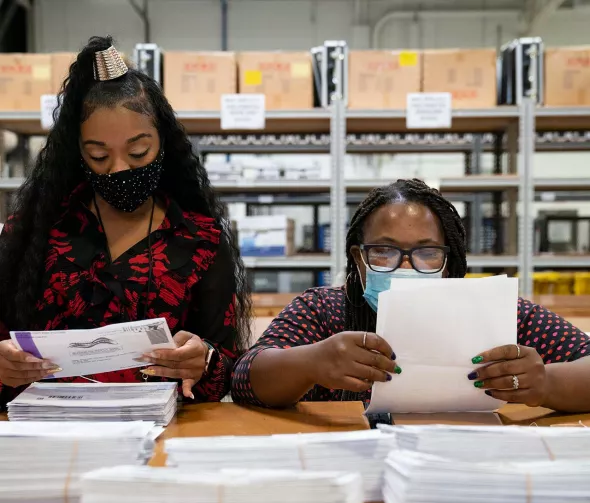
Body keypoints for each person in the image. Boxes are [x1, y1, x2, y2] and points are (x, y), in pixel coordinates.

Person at [0, 36, 250, 405]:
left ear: (164, 143)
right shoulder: (34, 231)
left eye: (138, 152)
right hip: (43, 433)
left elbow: (230, 369)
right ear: (77, 154)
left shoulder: (200, 241)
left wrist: (204, 361)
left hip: (161, 437)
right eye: (99, 156)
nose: (118, 169)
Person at [232, 178, 590, 412]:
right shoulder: (322, 311)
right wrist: (310, 362)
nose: (405, 266)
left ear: (451, 261)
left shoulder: (496, 314)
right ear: (359, 258)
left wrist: (546, 383)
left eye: (427, 252)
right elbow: (244, 377)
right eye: (384, 251)